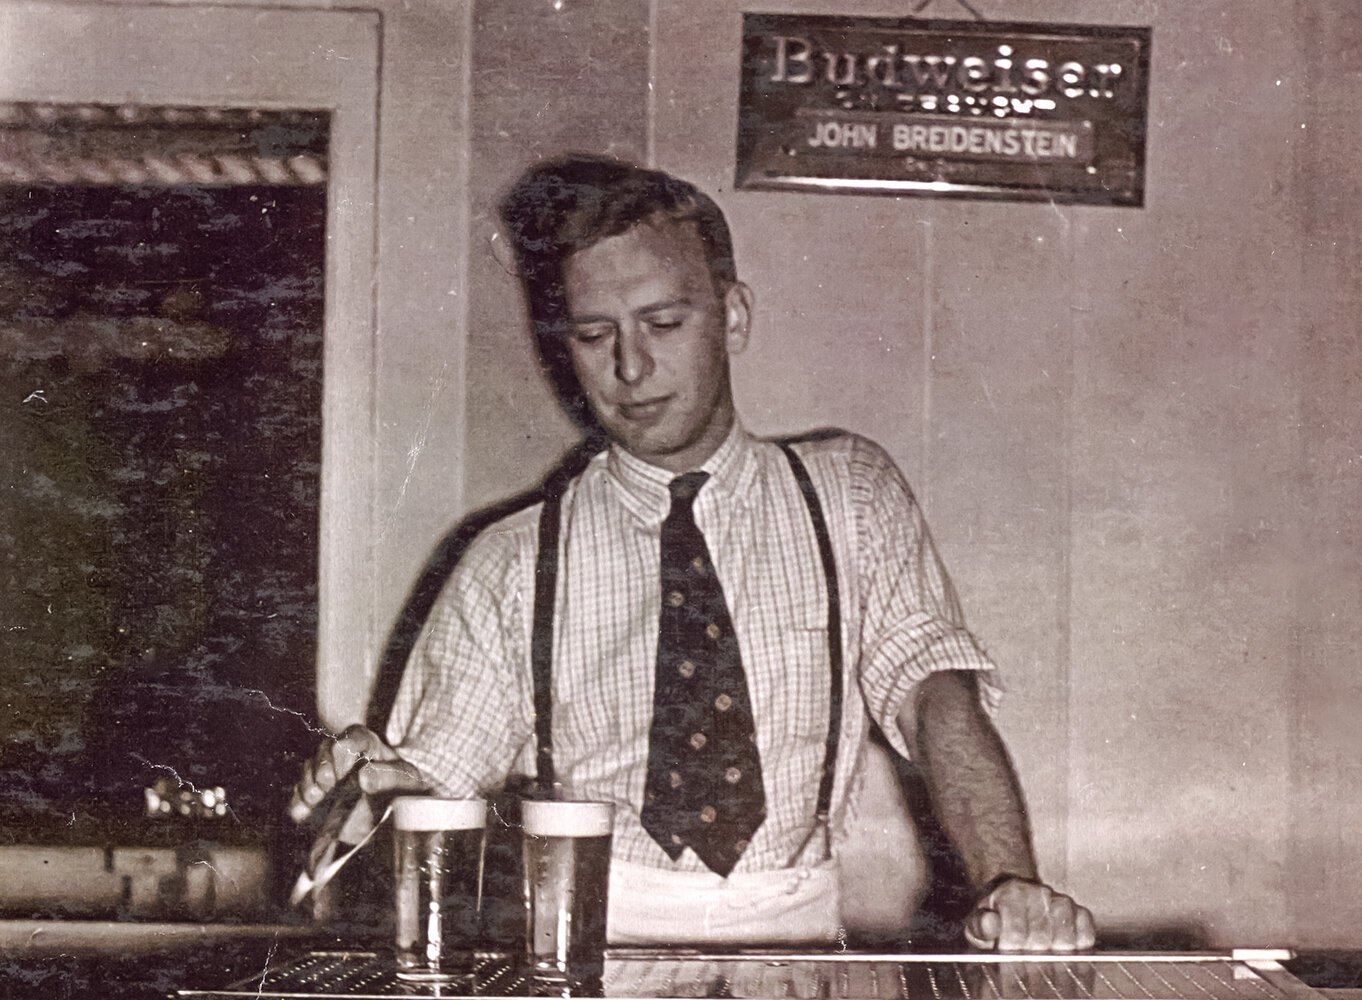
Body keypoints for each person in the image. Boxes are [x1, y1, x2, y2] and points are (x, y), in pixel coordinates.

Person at [289, 155, 1094, 951]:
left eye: (664, 324)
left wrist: (1008, 882)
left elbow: (932, 696)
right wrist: (368, 786)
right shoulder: (510, 561)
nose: (630, 369)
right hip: (582, 953)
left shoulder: (847, 496)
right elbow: (424, 786)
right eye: (594, 334)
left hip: (799, 948)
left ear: (734, 316)